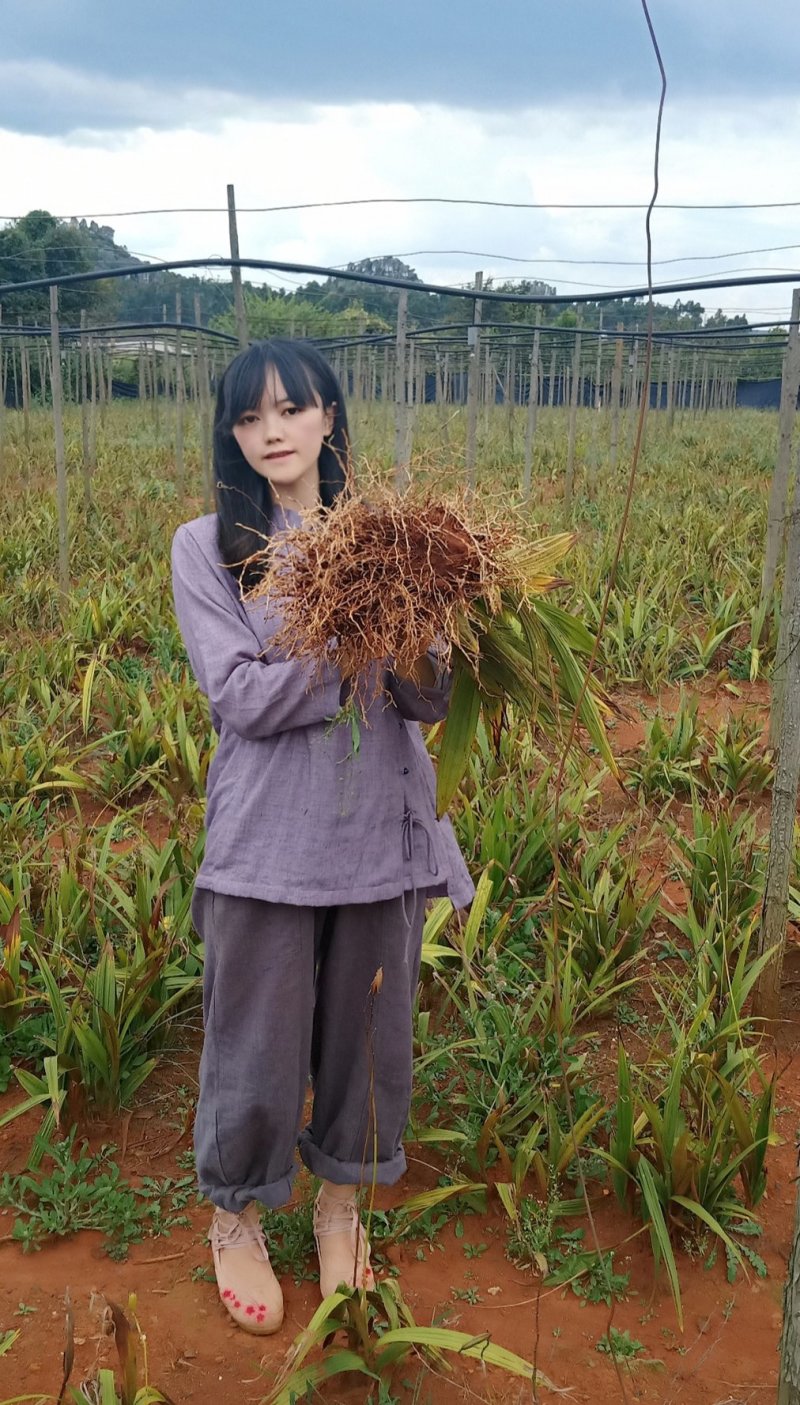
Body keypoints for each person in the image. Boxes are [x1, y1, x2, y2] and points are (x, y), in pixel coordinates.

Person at [170, 338, 474, 1335]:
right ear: (231, 434)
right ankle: (236, 1214)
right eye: (250, 417)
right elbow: (241, 696)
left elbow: (424, 697)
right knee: (253, 1046)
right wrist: (347, 636)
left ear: (328, 417)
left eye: (291, 410)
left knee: (368, 1042)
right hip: (267, 839)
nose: (272, 431)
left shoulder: (390, 540)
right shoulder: (208, 547)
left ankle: (343, 1206)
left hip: (378, 834)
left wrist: (433, 621)